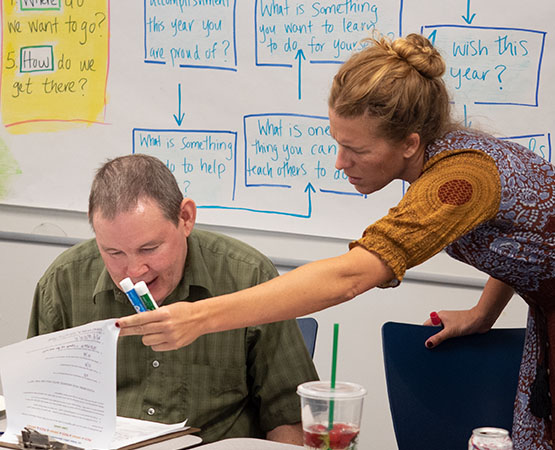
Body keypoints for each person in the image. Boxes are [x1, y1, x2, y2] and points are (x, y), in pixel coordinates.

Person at [117, 34, 555, 449]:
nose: (341, 162)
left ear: (410, 143)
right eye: (338, 143)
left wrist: (198, 318)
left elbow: (350, 276)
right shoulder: (455, 159)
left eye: (358, 151)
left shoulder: (460, 180)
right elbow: (524, 241)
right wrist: (484, 312)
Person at [28, 154, 319, 445]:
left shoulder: (248, 277)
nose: (134, 272)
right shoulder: (64, 282)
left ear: (186, 218)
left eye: (149, 248)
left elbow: (289, 416)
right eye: (114, 253)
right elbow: (38, 411)